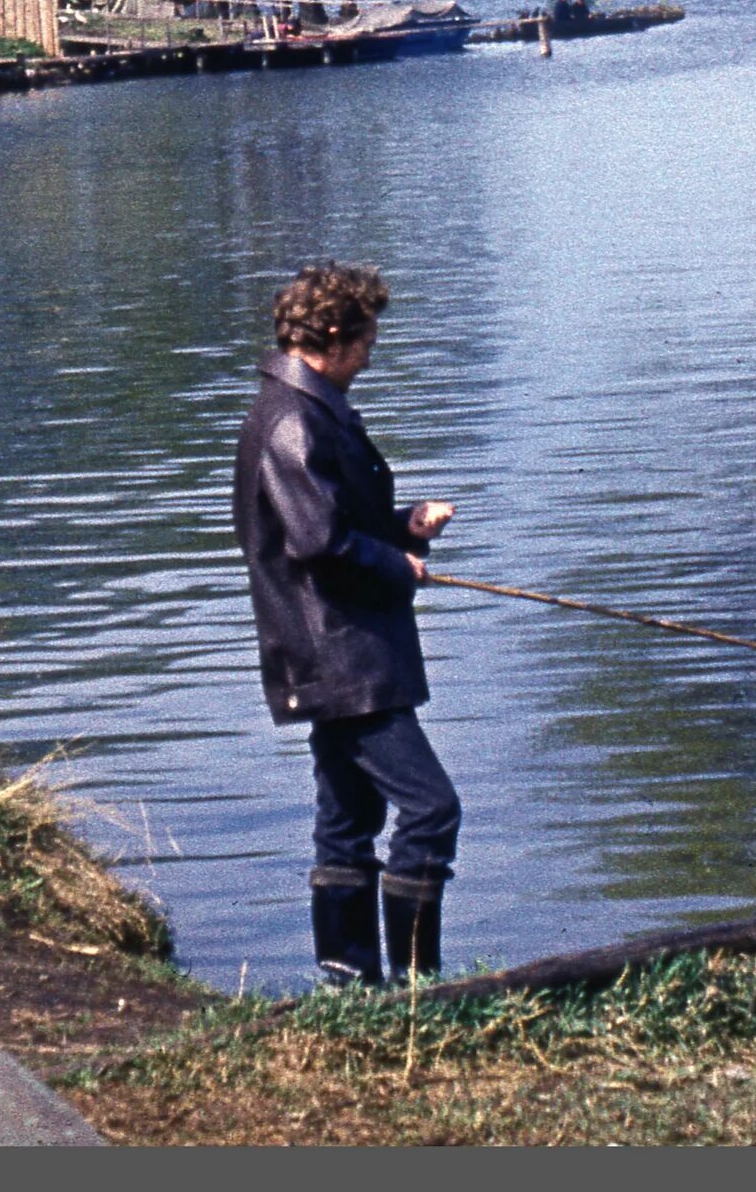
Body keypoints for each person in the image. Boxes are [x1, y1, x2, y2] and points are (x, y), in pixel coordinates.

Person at [232, 261, 460, 985]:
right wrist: (399, 564)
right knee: (431, 810)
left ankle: (352, 985)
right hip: (344, 661)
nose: (370, 355)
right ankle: (420, 989)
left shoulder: (304, 408)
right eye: (366, 342)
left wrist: (404, 528)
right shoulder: (291, 419)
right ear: (333, 336)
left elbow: (332, 525)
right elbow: (320, 545)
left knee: (347, 821)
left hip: (332, 655)